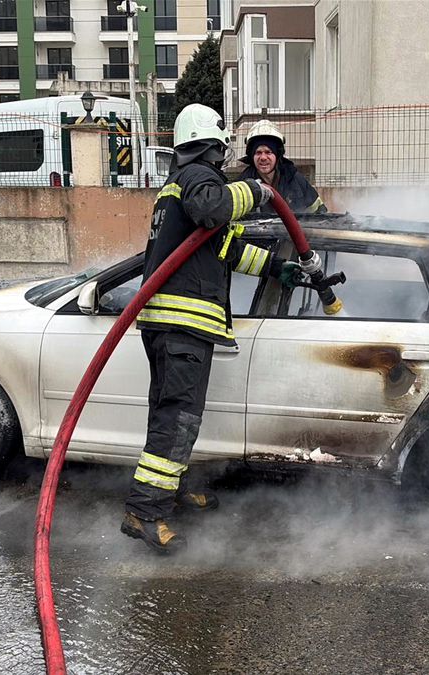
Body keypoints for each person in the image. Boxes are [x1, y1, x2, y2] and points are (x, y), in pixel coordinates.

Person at [121, 103, 301, 554]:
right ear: (213, 143)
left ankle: (168, 490)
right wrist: (258, 192)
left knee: (170, 414)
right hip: (182, 325)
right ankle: (145, 513)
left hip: (168, 324)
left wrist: (279, 269)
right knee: (177, 418)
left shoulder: (174, 186)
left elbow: (223, 250)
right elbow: (215, 208)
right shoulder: (199, 179)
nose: (225, 157)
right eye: (223, 148)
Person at [238, 119, 327, 215]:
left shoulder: (295, 179)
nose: (263, 157)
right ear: (252, 156)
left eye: (268, 152)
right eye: (258, 152)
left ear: (277, 155)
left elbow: (319, 213)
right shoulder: (243, 184)